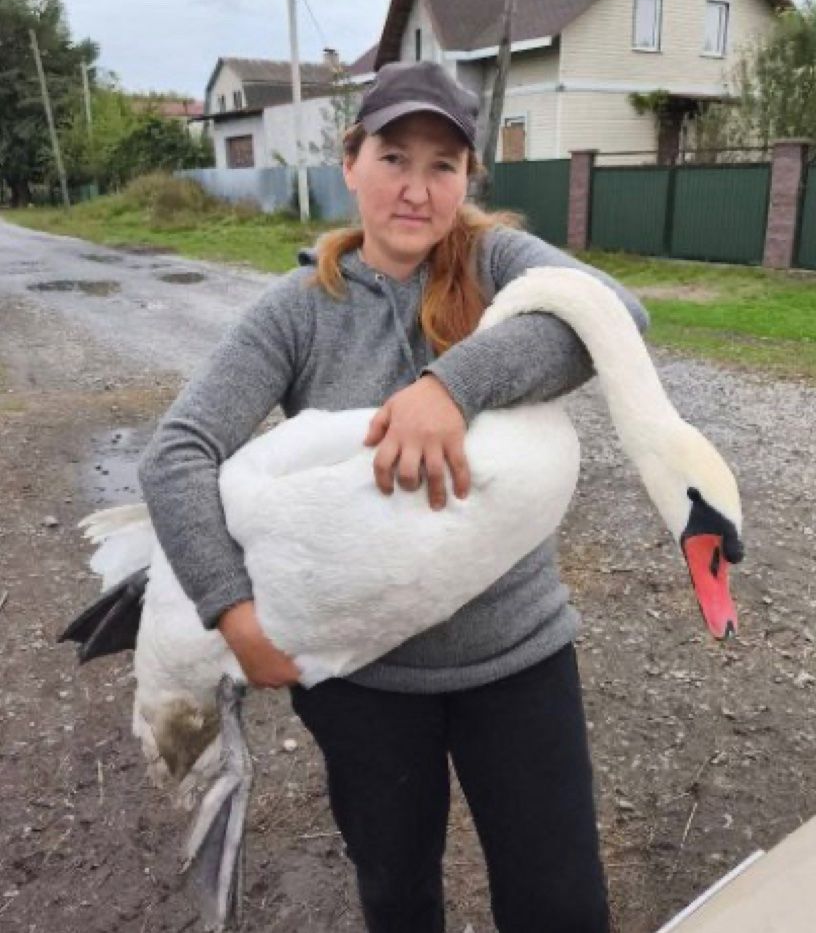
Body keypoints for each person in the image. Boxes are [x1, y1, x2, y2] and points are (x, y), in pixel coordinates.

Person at [138, 60, 649, 932]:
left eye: (442, 165)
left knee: (559, 902)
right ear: (350, 162)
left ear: (468, 178)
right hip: (366, 679)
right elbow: (175, 454)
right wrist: (234, 614)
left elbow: (616, 315)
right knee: (398, 895)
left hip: (518, 658)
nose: (416, 189)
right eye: (394, 157)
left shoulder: (499, 262)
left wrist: (451, 385)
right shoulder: (297, 310)